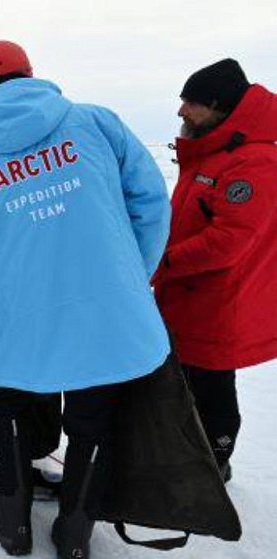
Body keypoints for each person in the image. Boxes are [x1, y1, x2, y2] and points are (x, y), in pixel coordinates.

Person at [0, 40, 171, 559]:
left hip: (15, 319)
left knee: (6, 407)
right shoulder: (97, 124)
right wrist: (126, 278)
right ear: (32, 76)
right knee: (93, 418)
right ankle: (75, 534)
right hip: (105, 315)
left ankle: (13, 524)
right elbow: (151, 200)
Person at [153, 59, 277, 482]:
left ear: (220, 107)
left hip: (218, 303)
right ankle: (184, 460)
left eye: (192, 103)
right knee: (186, 381)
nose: (182, 110)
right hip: (188, 298)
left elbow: (229, 240)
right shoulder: (213, 152)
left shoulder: (254, 162)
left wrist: (165, 261)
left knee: (212, 387)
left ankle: (212, 467)